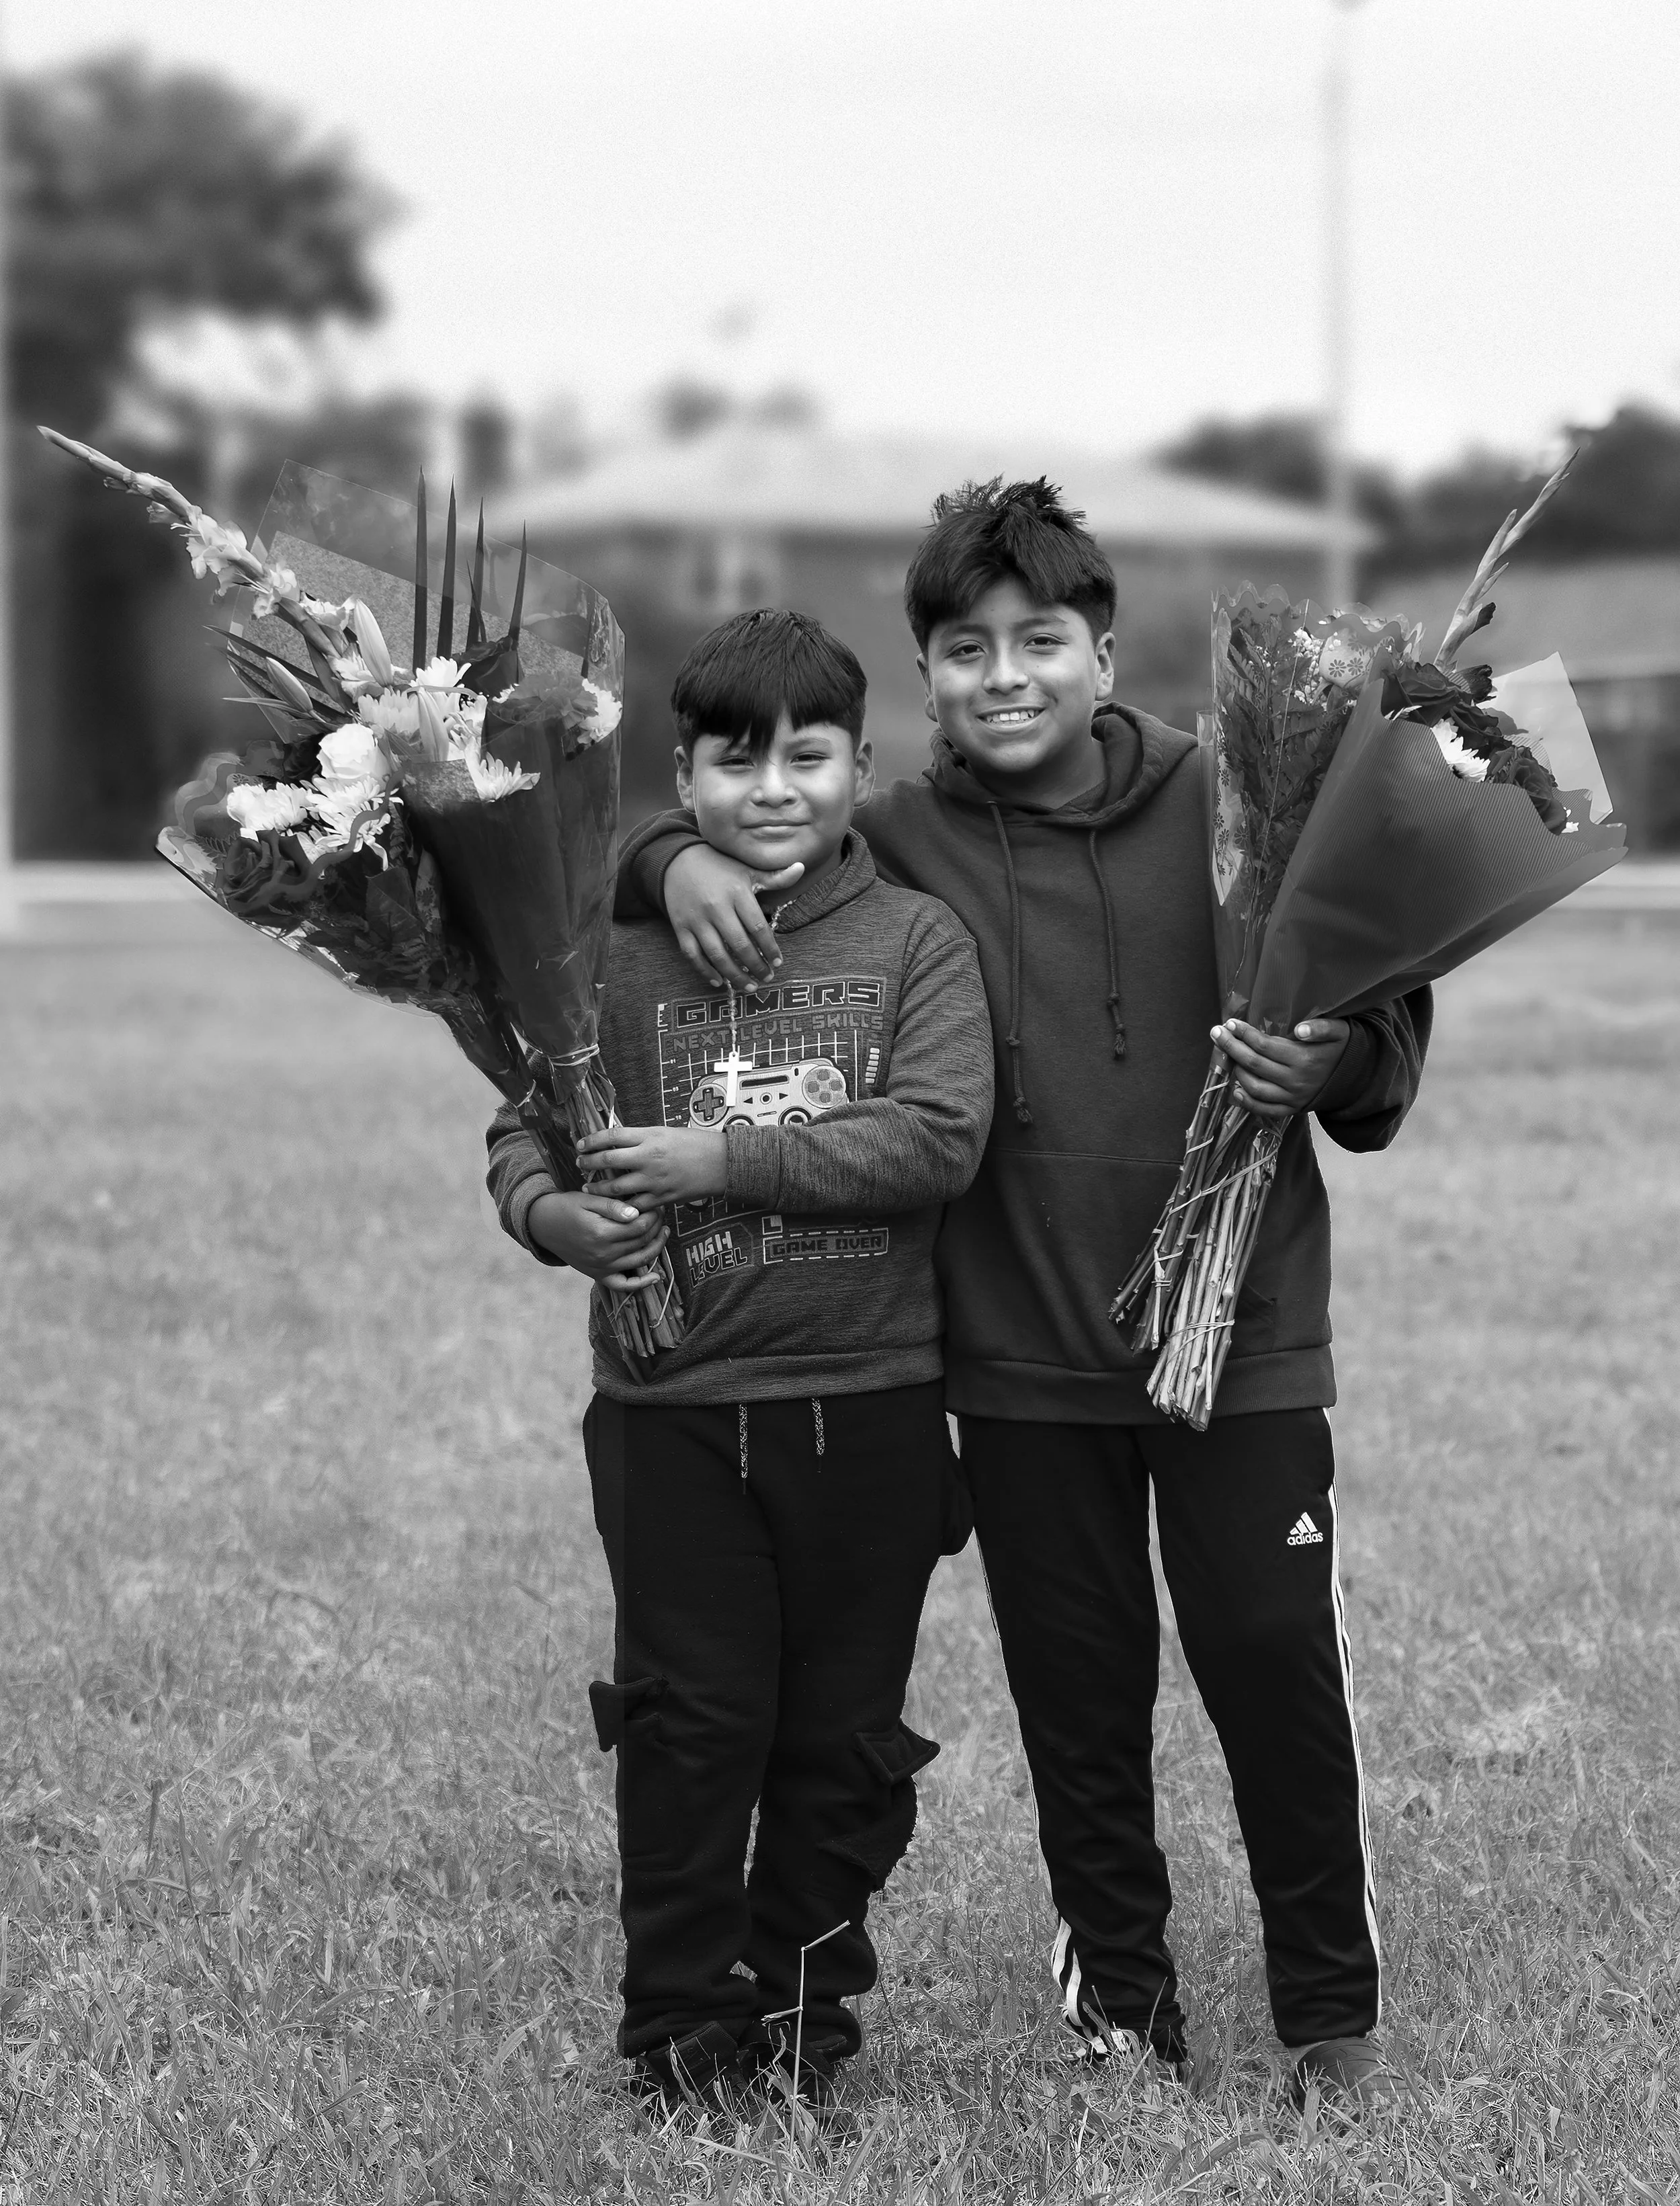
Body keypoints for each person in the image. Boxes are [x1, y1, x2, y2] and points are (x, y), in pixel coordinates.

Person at [614, 481, 1430, 2113]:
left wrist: (1332, 1052)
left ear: (1101, 651)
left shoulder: (1240, 803)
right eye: (965, 649)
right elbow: (749, 818)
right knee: (1081, 1695)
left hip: (1238, 1338)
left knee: (1272, 1657)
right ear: (924, 675)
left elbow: (1375, 1004)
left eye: (1038, 643)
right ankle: (1122, 2001)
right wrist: (657, 862)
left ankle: (1325, 2013)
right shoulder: (899, 837)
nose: (1005, 677)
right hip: (1015, 1359)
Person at [487, 608, 993, 2114]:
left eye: (809, 754)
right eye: (733, 760)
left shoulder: (913, 939)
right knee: (688, 1723)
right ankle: (674, 2029)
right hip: (668, 1415)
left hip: (869, 1405)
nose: (773, 787)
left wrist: (718, 1154)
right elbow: (524, 1119)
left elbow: (937, 1137)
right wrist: (552, 1213)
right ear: (681, 775)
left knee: (841, 1738)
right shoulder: (602, 949)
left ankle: (803, 2015)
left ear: (860, 761)